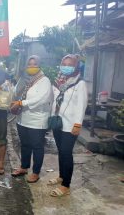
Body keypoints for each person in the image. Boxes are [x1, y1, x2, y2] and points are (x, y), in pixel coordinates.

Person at [48, 54, 87, 197]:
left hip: (71, 125)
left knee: (66, 153)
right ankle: (61, 176)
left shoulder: (79, 83)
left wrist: (78, 123)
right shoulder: (58, 81)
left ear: (75, 66)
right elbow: (53, 100)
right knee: (61, 151)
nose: (66, 66)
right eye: (64, 63)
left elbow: (81, 105)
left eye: (69, 64)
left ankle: (66, 185)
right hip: (58, 123)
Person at [10, 55, 53, 183]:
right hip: (23, 119)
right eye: (29, 64)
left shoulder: (44, 81)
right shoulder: (25, 79)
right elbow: (16, 92)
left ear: (39, 66)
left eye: (34, 64)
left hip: (37, 120)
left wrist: (22, 103)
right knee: (25, 145)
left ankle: (36, 172)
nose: (31, 67)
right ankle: (24, 167)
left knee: (37, 146)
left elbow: (42, 99)